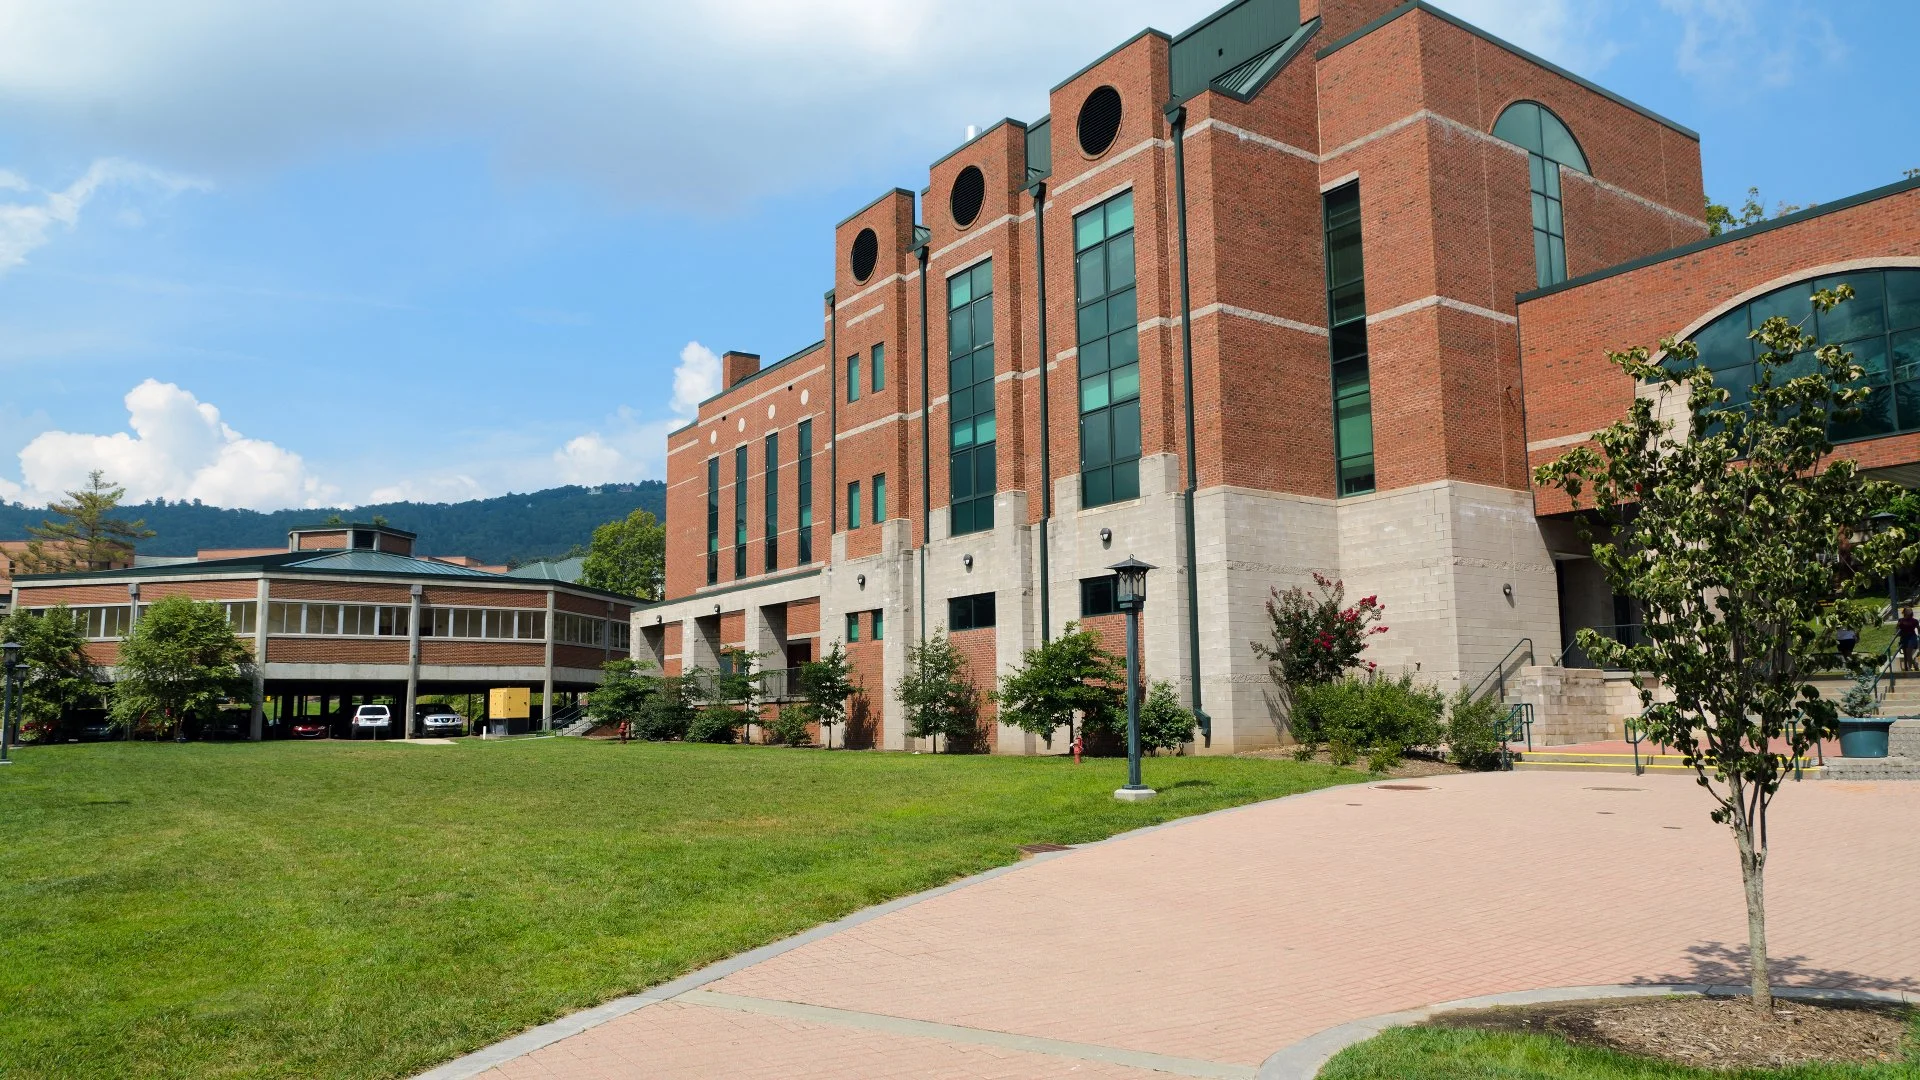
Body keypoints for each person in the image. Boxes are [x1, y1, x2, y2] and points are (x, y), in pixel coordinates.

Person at [1900, 607, 1919, 673]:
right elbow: (1897, 628)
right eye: (1907, 610)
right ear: (1904, 612)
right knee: (1907, 655)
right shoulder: (1901, 620)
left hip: (1912, 637)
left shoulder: (1915, 620)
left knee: (1908, 653)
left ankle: (1909, 668)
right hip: (1904, 638)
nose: (1909, 611)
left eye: (1910, 610)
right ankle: (1914, 664)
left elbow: (1918, 629)